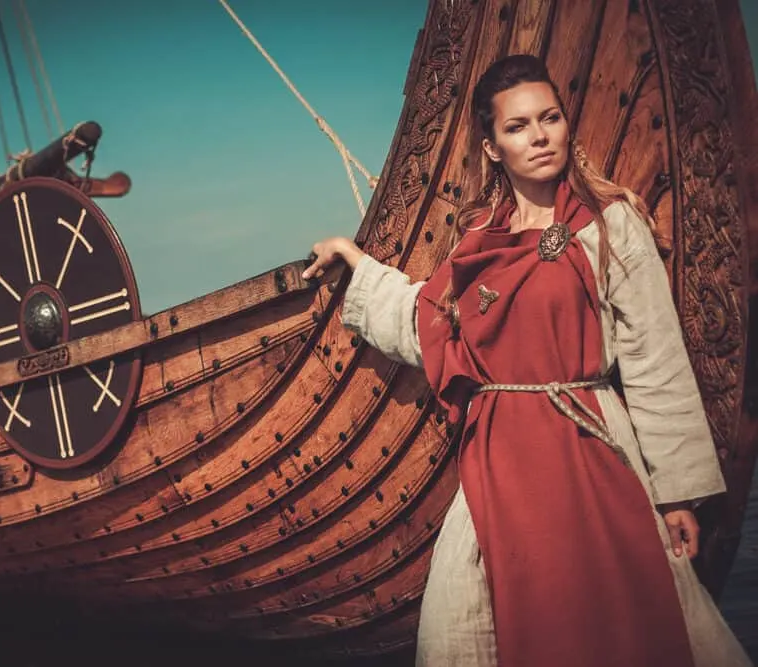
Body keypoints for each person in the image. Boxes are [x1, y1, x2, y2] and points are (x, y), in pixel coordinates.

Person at [302, 54, 752, 667]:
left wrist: (678, 496)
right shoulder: (479, 239)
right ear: (492, 147)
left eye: (550, 118)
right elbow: (428, 324)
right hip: (498, 457)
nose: (540, 137)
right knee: (455, 628)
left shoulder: (610, 225)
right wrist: (356, 264)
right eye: (517, 127)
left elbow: (654, 358)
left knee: (622, 621)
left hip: (589, 449)